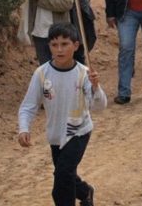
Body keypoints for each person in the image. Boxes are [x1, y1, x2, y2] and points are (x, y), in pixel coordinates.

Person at [18, 23, 106, 206]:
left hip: (79, 131)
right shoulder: (42, 74)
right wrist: (24, 128)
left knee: (62, 177)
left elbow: (99, 106)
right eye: (54, 44)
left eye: (65, 44)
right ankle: (85, 192)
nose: (59, 49)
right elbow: (28, 105)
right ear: (48, 46)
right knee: (65, 173)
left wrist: (96, 87)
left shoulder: (84, 74)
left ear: (75, 45)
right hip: (55, 135)